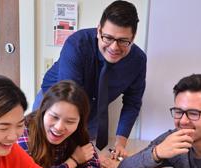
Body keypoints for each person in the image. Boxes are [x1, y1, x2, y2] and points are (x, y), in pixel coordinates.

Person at [34, 0, 146, 159]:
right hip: (56, 105)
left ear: (133, 37)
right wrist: (78, 156)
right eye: (107, 37)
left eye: (123, 41)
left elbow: (133, 102)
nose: (114, 47)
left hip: (93, 112)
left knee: (85, 162)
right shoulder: (77, 44)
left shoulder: (138, 61)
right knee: (42, 156)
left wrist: (120, 143)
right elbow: (69, 100)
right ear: (98, 30)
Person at [11, 80, 102, 168]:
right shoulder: (23, 132)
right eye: (54, 117)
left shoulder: (78, 134)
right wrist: (73, 162)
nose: (59, 127)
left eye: (70, 121)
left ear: (79, 123)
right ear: (43, 111)